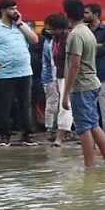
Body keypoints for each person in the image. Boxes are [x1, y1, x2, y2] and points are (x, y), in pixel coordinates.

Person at [61, 0, 105, 167]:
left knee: (83, 128)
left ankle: (89, 167)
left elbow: (74, 65)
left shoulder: (75, 35)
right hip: (93, 82)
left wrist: (66, 93)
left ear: (66, 14)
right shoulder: (87, 31)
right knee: (93, 124)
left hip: (82, 86)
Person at [0, 0, 40, 147]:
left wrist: (20, 23)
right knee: (4, 106)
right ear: (3, 11)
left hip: (25, 72)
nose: (15, 11)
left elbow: (34, 40)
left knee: (25, 104)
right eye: (11, 9)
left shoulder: (21, 26)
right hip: (4, 74)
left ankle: (27, 135)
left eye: (15, 8)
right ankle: (4, 136)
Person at [83, 3, 105, 148]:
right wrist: (97, 45)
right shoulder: (84, 30)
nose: (84, 15)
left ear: (96, 14)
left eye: (87, 13)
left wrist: (89, 47)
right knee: (90, 111)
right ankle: (95, 141)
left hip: (103, 75)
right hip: (88, 76)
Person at [41, 12, 74, 147]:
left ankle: (59, 138)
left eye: (51, 28)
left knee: (64, 107)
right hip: (60, 77)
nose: (48, 31)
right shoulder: (56, 39)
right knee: (67, 107)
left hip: (69, 77)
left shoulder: (68, 38)